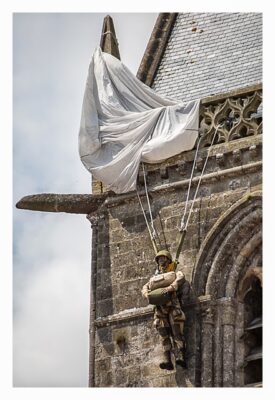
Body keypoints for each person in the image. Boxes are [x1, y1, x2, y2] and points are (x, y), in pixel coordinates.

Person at [142, 250, 190, 370]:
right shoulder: (155, 277)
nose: (161, 261)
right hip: (159, 308)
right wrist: (147, 294)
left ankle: (180, 357)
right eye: (159, 259)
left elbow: (181, 278)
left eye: (163, 258)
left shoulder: (174, 272)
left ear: (168, 260)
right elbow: (145, 287)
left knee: (176, 330)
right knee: (163, 332)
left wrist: (171, 287)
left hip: (173, 304)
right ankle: (167, 359)